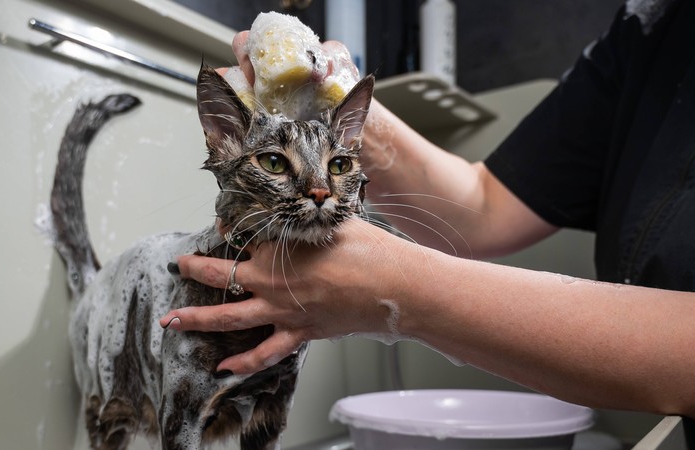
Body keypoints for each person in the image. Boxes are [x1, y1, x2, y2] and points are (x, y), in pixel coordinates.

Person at [160, 0, 695, 420]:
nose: (320, 189)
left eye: (338, 168)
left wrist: (396, 287)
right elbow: (484, 206)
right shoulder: (649, 25)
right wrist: (337, 94)